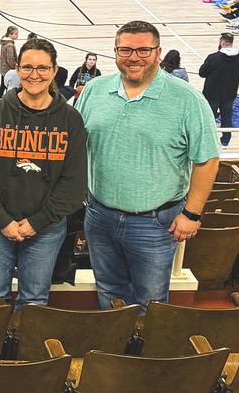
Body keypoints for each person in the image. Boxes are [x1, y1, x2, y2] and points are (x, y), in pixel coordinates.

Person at [76, 21, 222, 311]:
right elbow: (74, 144)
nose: (133, 57)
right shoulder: (94, 90)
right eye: (125, 50)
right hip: (99, 216)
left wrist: (192, 214)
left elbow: (207, 160)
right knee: (108, 292)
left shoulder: (187, 99)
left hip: (155, 224)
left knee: (151, 301)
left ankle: (144, 356)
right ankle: (115, 350)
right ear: (115, 52)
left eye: (143, 50)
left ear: (158, 53)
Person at [0, 36, 89, 310]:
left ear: (54, 71)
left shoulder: (70, 120)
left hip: (46, 227)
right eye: (27, 67)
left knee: (34, 300)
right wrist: (3, 220)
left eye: (42, 68)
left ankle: (26, 354)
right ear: (17, 69)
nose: (34, 75)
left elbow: (73, 185)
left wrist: (37, 221)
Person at [199, 32, 239, 147]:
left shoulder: (214, 58)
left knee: (208, 117)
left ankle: (206, 141)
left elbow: (202, 73)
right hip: (230, 93)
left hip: (212, 93)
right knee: (227, 116)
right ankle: (225, 141)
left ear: (222, 42)